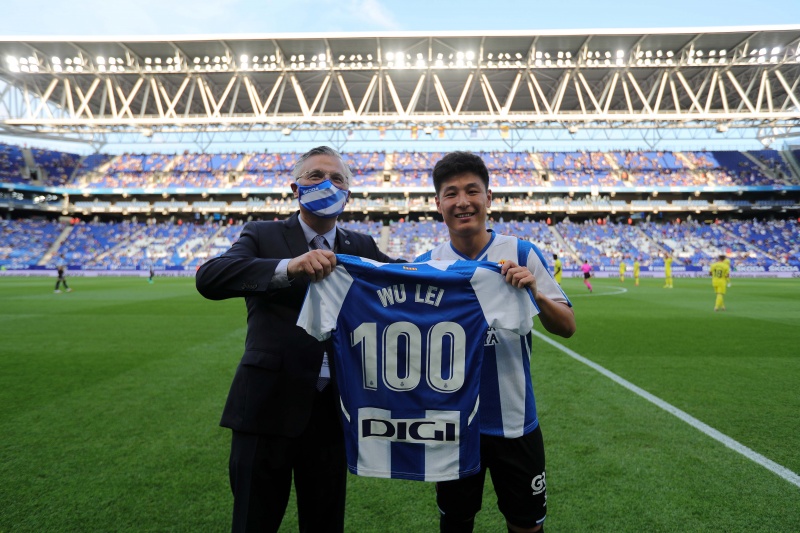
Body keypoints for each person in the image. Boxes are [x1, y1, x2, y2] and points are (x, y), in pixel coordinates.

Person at [196, 146, 399, 533]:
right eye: (315, 176)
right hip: (264, 406)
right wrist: (289, 268)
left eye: (337, 178)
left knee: (324, 523)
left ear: (348, 196)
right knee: (254, 522)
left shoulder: (362, 246)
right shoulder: (263, 233)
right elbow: (210, 277)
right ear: (295, 188)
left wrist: (481, 272)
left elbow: (411, 279)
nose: (327, 183)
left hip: (332, 412)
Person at [415, 151, 576, 533]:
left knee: (527, 526)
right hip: (452, 424)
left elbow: (567, 326)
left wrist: (535, 291)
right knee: (456, 523)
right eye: (451, 193)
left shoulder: (521, 253)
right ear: (438, 203)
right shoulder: (425, 265)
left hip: (515, 423)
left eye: (472, 191)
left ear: (489, 198)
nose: (463, 201)